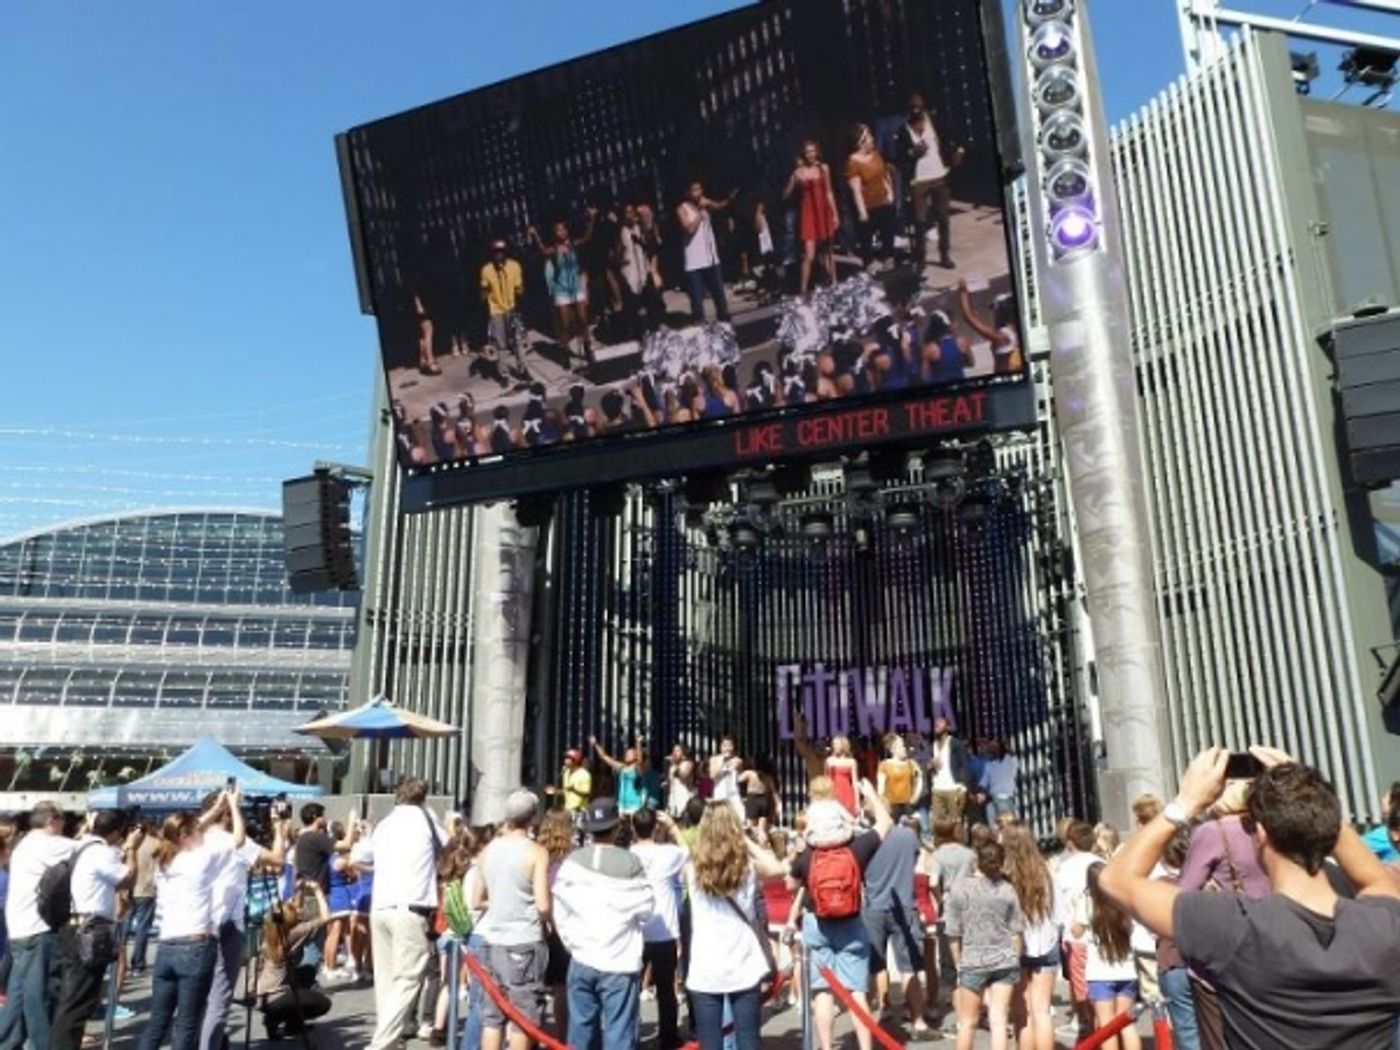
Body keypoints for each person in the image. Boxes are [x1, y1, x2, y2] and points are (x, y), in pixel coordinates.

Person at [1101, 746, 1400, 1049]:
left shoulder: (1234, 926)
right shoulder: (1386, 925)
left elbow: (1115, 880)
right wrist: (1312, 799)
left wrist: (1185, 803)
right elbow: (1377, 880)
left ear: (1261, 834)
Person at [784, 780, 893, 1050]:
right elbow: (885, 824)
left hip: (817, 923)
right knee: (857, 992)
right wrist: (872, 795)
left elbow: (790, 885)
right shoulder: (857, 847)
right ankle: (865, 1046)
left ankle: (826, 1045)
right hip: (851, 923)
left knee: (822, 991)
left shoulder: (808, 854)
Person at [551, 798, 655, 1050]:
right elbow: (646, 909)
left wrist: (571, 944)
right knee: (619, 1033)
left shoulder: (572, 862)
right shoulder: (631, 862)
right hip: (619, 961)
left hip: (582, 958)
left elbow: (559, 910)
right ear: (617, 826)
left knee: (581, 1031)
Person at [138, 796, 240, 1050]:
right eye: (197, 831)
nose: (202, 833)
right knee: (187, 1023)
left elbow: (176, 834)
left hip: (166, 946)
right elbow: (238, 839)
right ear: (186, 836)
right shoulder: (199, 860)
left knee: (157, 1022)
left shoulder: (164, 861)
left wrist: (215, 810)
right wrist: (233, 806)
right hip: (195, 946)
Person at [685, 803, 786, 1050]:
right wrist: (745, 839)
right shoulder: (747, 868)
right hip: (743, 961)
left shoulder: (692, 868)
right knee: (748, 1039)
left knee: (710, 1042)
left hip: (705, 964)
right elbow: (778, 868)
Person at [200, 791, 288, 1050]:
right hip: (225, 924)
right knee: (219, 996)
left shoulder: (192, 839)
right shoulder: (233, 842)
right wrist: (279, 828)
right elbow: (277, 860)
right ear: (227, 815)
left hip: (193, 924)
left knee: (197, 995)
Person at [362, 778, 446, 1050]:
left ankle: (391, 1038)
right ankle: (380, 1043)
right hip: (411, 906)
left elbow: (360, 855)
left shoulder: (385, 824)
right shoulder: (426, 820)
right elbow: (450, 847)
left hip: (380, 905)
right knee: (408, 978)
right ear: (423, 797)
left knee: (386, 980)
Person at [49, 811, 142, 1050]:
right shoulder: (100, 852)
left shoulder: (80, 846)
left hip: (72, 925)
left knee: (72, 997)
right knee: (79, 1000)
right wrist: (132, 849)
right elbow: (128, 878)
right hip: (89, 929)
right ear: (116, 832)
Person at [474, 789, 550, 1050]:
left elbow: (476, 899)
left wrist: (501, 901)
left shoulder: (487, 851)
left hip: (492, 939)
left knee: (492, 1017)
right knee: (523, 1017)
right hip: (524, 940)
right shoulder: (536, 852)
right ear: (533, 818)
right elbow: (542, 905)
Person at [0, 801, 73, 1050]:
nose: (65, 825)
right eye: (63, 819)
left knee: (19, 994)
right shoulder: (47, 843)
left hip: (20, 930)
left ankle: (8, 1042)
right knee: (40, 997)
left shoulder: (26, 844)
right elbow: (88, 850)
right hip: (37, 929)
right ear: (52, 820)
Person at [943, 840, 1021, 1050]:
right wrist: (1015, 957)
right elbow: (1016, 931)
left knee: (967, 1023)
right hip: (1004, 959)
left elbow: (953, 932)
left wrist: (958, 962)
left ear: (976, 860)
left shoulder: (959, 888)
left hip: (973, 959)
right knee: (999, 1021)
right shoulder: (1008, 890)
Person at [862, 817, 932, 1038]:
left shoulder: (865, 839)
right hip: (904, 904)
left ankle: (880, 1012)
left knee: (875, 966)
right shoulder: (908, 836)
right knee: (909, 967)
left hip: (873, 905)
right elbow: (915, 859)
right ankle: (918, 1020)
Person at [629, 808, 687, 1050]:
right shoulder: (668, 853)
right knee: (666, 989)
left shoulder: (628, 854)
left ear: (633, 828)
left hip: (635, 931)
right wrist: (672, 826)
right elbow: (687, 851)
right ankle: (668, 1037)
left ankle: (631, 1036)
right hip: (663, 931)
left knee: (630, 988)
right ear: (655, 827)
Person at [1000, 823, 1057, 1050]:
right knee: (1042, 1010)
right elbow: (1058, 911)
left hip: (1017, 945)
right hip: (1046, 941)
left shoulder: (1005, 876)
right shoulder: (1046, 870)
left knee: (1022, 1012)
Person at [1072, 864, 1140, 1050]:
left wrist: (1076, 909)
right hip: (1127, 969)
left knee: (1107, 1025)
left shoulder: (1088, 903)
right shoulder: (1121, 900)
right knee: (1127, 1023)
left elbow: (1076, 932)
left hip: (1100, 972)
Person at [255, 883, 335, 1040]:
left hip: (260, 994)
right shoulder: (294, 934)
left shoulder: (269, 932)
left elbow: (285, 912)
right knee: (323, 1004)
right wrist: (318, 891)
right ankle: (276, 1017)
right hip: (277, 996)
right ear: (291, 922)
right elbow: (326, 918)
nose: (299, 912)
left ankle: (289, 1024)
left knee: (307, 972)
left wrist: (298, 891)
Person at [894, 93, 962, 270]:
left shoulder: (935, 123)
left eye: (919, 106)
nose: (916, 110)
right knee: (919, 220)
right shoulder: (903, 130)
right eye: (913, 107)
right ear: (908, 109)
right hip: (918, 181)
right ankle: (920, 258)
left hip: (939, 176)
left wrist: (959, 151)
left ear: (924, 106)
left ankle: (945, 255)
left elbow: (954, 137)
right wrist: (912, 153)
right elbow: (899, 157)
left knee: (943, 218)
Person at [529, 211, 597, 365]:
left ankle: (587, 348)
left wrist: (592, 219)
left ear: (566, 231)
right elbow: (543, 251)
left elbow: (587, 237)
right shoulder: (554, 249)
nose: (560, 232)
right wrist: (536, 236)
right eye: (557, 230)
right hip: (561, 289)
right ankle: (565, 352)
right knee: (565, 325)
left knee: (583, 320)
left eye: (562, 229)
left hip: (575, 286)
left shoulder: (573, 244)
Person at [1053, 820, 1098, 1040]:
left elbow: (1058, 905)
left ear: (1070, 843)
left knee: (1080, 983)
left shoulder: (1065, 868)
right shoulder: (1102, 863)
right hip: (1101, 933)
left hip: (1075, 934)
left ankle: (1086, 1022)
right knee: (1098, 981)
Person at [784, 141, 839, 296]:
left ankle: (834, 283)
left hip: (822, 211)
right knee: (809, 254)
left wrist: (835, 214)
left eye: (813, 151)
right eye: (808, 152)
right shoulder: (799, 172)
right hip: (808, 213)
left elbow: (829, 192)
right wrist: (793, 179)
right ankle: (803, 289)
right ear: (803, 154)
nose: (811, 154)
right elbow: (785, 195)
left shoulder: (823, 168)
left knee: (827, 251)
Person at [676, 181, 734, 324]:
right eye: (694, 190)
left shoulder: (705, 203)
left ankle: (723, 317)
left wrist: (729, 199)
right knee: (697, 297)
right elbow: (689, 229)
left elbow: (718, 206)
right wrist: (699, 214)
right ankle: (699, 321)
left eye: (699, 189)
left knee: (718, 292)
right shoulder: (682, 209)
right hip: (694, 261)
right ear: (688, 193)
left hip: (710, 257)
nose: (698, 192)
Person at [845, 124, 897, 269]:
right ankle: (869, 262)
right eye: (869, 137)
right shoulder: (853, 162)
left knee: (888, 231)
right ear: (860, 142)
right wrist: (862, 212)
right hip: (867, 205)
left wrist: (890, 193)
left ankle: (889, 258)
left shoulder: (876, 154)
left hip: (883, 200)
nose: (872, 139)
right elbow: (856, 189)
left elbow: (884, 175)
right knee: (866, 236)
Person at [480, 239, 528, 378]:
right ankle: (503, 372)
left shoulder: (514, 266)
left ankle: (522, 369)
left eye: (501, 252)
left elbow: (519, 288)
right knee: (500, 343)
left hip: (512, 308)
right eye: (496, 252)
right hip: (496, 310)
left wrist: (520, 291)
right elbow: (483, 290)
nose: (499, 255)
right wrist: (483, 292)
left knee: (517, 340)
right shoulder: (486, 269)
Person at [958, 280, 1021, 376]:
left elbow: (968, 318)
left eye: (995, 310)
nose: (994, 314)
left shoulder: (1002, 336)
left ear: (1002, 312)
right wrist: (967, 293)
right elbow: (973, 316)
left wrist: (962, 292)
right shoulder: (1014, 331)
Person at [292, 803, 355, 897]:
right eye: (323, 816)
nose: (325, 819)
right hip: (317, 895)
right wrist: (351, 821)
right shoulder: (315, 837)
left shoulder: (302, 838)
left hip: (306, 892)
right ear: (315, 817)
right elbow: (346, 845)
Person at [127, 823, 159, 976]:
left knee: (122, 929)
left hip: (127, 889)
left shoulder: (128, 842)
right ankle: (137, 964)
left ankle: (117, 964)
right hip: (147, 890)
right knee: (142, 929)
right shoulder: (156, 844)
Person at [928, 718, 973, 823]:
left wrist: (963, 789)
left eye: (940, 723)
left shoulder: (955, 743)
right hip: (937, 789)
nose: (937, 724)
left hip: (953, 788)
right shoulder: (934, 745)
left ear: (948, 727)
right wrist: (931, 766)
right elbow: (932, 765)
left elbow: (965, 766)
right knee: (938, 823)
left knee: (955, 822)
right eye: (936, 723)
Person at [591, 736, 646, 817]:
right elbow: (604, 756)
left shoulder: (637, 769)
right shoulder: (622, 767)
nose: (626, 755)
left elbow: (640, 760)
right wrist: (595, 744)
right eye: (626, 754)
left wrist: (638, 742)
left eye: (629, 754)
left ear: (635, 756)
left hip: (635, 806)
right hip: (622, 806)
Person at [877, 733, 923, 821]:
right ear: (893, 749)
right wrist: (883, 803)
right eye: (901, 746)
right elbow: (880, 789)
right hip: (891, 806)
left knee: (912, 825)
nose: (904, 748)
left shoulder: (911, 763)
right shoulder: (884, 765)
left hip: (908, 805)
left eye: (903, 746)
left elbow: (920, 777)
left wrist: (915, 796)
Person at [976, 740, 1018, 821]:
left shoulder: (991, 765)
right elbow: (1013, 754)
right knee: (1006, 823)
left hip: (996, 799)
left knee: (997, 823)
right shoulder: (1010, 761)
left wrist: (979, 792)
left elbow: (982, 784)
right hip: (1002, 799)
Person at [708, 737, 744, 820]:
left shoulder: (737, 760)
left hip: (734, 793)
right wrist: (724, 764)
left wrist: (738, 767)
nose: (727, 748)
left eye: (730, 745)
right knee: (720, 819)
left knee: (740, 818)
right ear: (720, 747)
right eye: (724, 746)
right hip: (719, 793)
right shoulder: (714, 759)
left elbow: (740, 779)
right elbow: (712, 775)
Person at [549, 748, 593, 816]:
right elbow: (566, 791)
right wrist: (555, 791)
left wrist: (574, 789)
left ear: (575, 760)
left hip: (579, 810)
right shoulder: (566, 772)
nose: (565, 760)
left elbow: (587, 793)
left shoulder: (584, 774)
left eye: (568, 758)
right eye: (565, 758)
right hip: (567, 808)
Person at [824, 735, 859, 817]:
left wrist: (857, 802)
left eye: (837, 744)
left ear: (843, 745)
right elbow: (826, 781)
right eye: (834, 744)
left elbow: (855, 783)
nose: (835, 746)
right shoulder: (829, 761)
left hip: (847, 793)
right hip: (834, 792)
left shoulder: (851, 762)